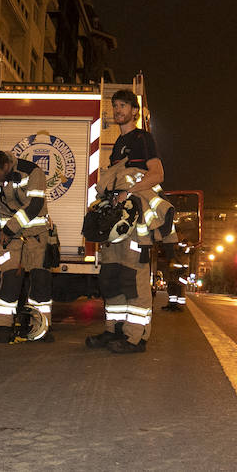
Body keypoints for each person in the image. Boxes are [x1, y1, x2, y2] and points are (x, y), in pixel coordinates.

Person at [86, 89, 173, 354]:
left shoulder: (142, 138)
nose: (118, 110)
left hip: (136, 225)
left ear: (134, 111)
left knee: (134, 279)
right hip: (117, 223)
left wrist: (129, 192)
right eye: (115, 106)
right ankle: (114, 330)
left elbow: (157, 174)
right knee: (112, 276)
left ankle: (136, 338)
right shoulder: (117, 146)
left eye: (123, 105)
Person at [0, 150, 55, 343]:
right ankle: (3, 327)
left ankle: (40, 328)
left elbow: (34, 205)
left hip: (36, 235)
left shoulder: (32, 172)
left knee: (40, 282)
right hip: (9, 238)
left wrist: (8, 229)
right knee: (9, 280)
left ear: (5, 166)